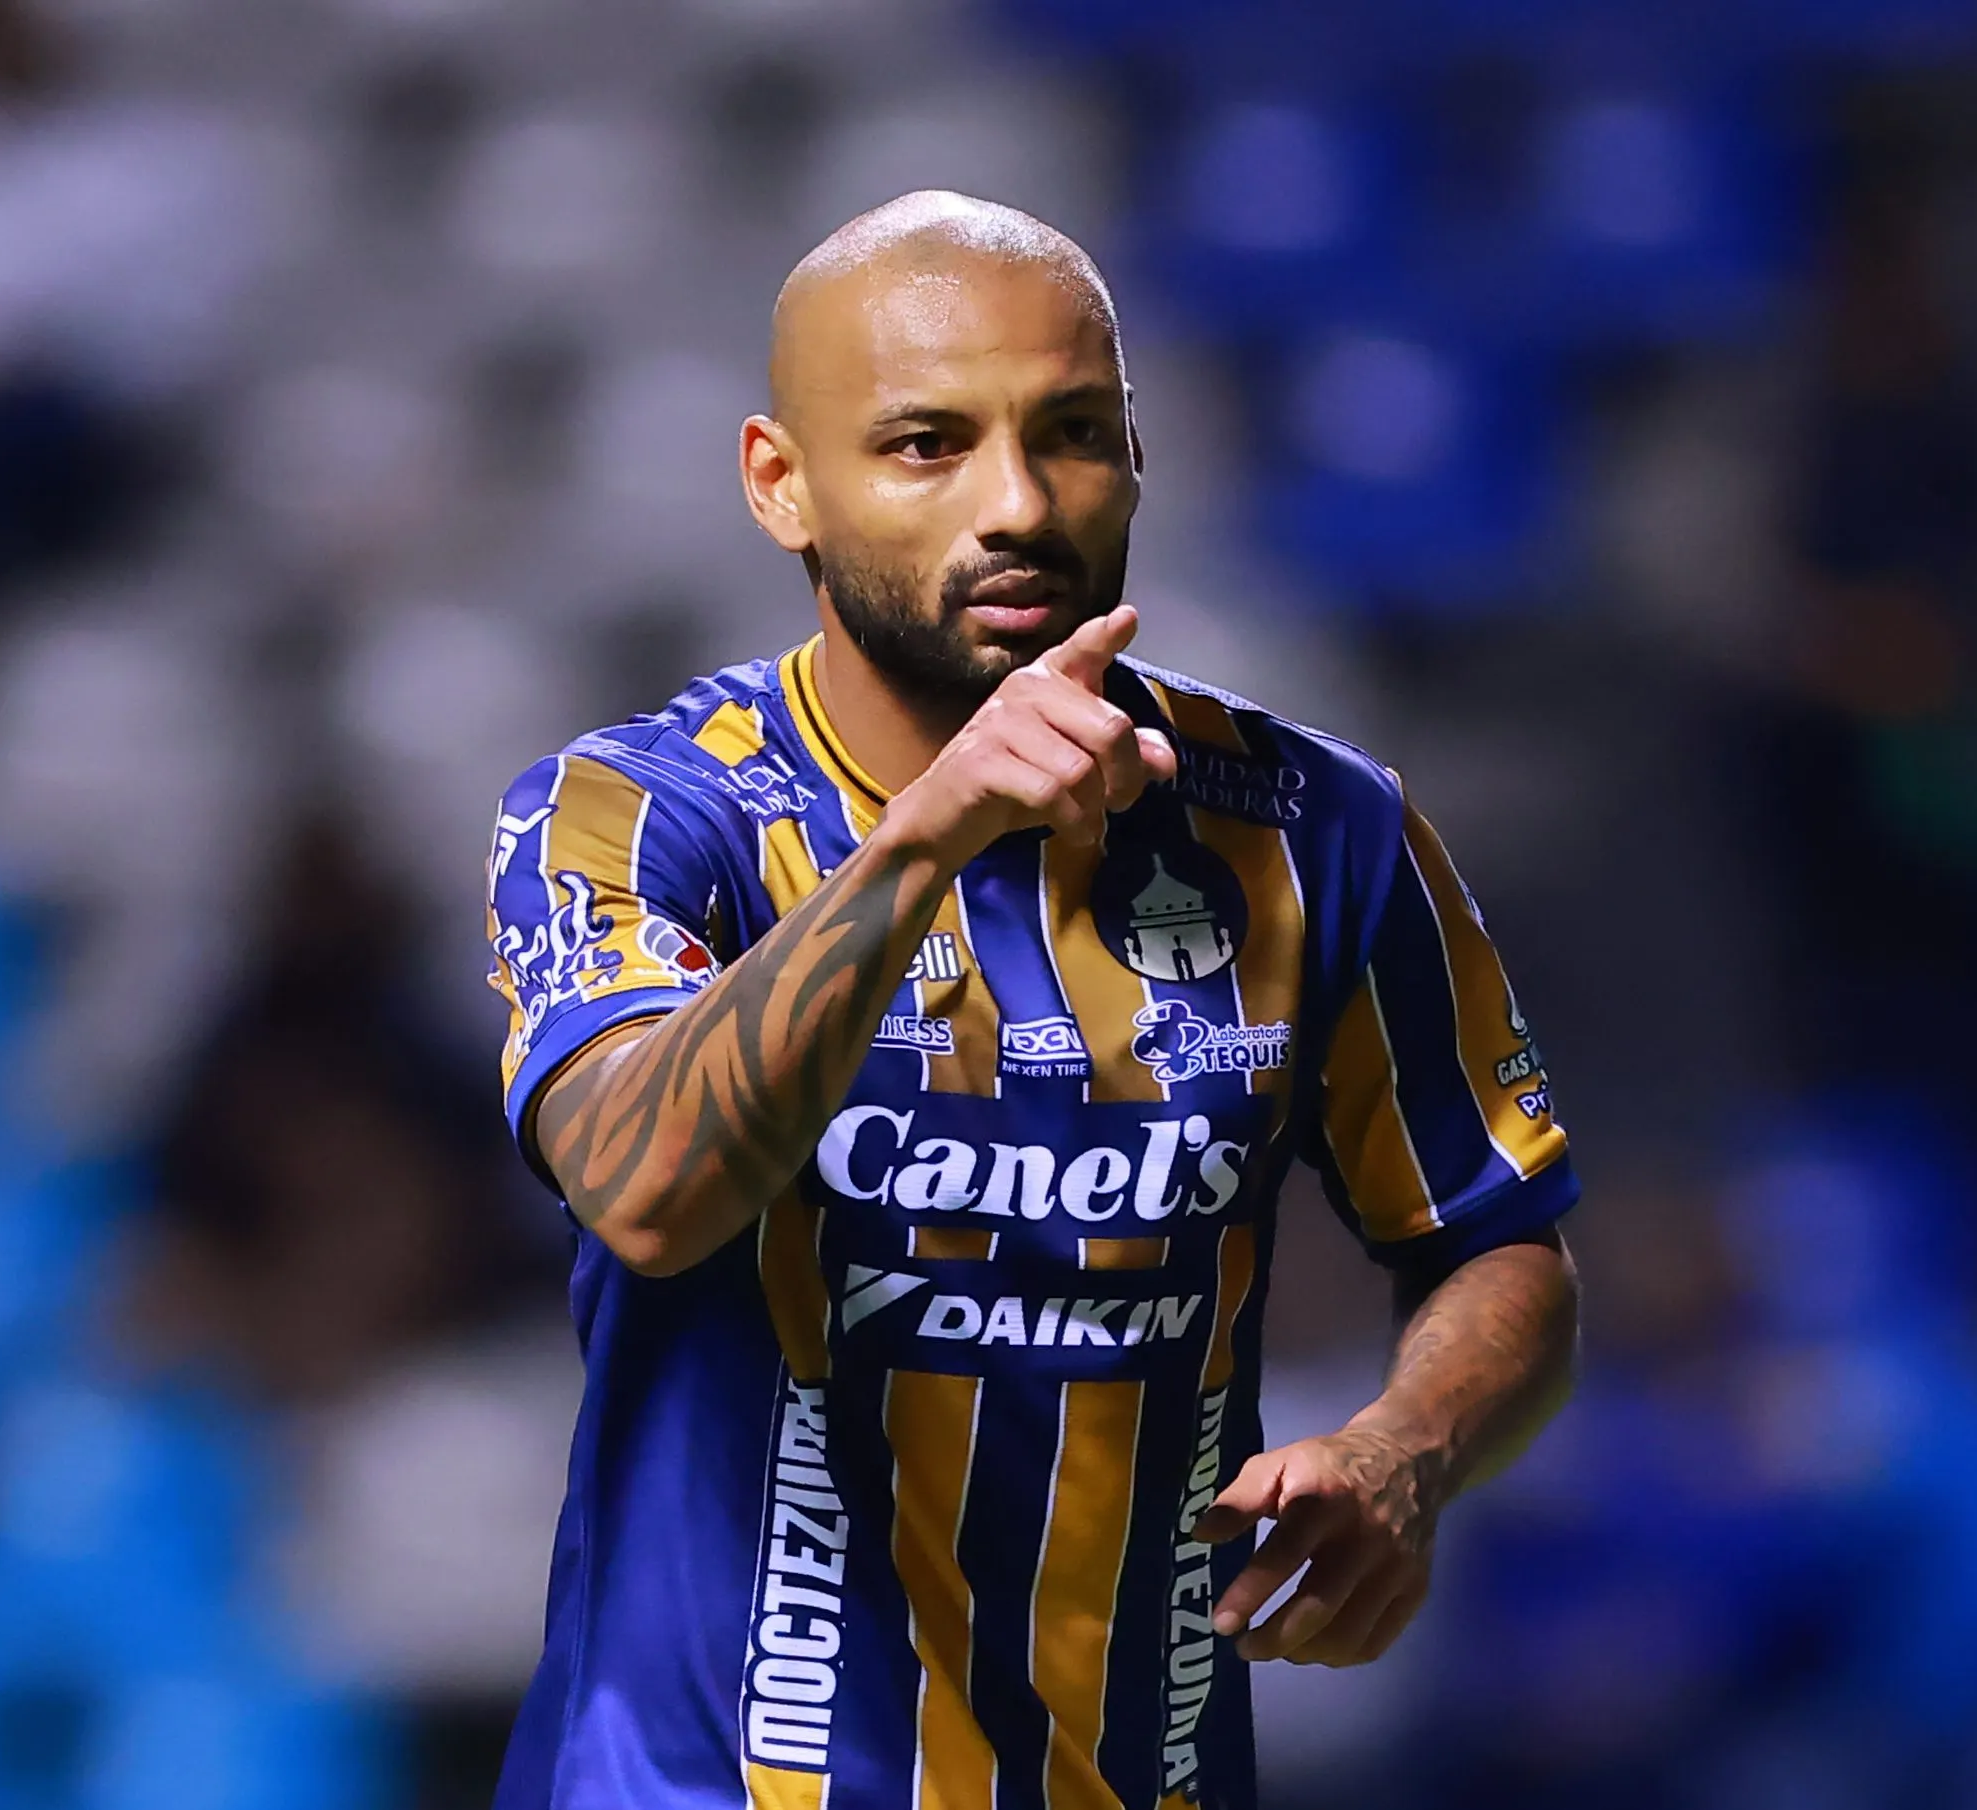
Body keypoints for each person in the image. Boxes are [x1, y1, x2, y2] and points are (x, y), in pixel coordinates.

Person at [482, 192, 1582, 1810]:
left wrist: (1402, 1452)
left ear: (1138, 457)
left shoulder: (1314, 832)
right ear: (781, 483)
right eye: (928, 444)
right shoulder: (638, 817)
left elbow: (1501, 1245)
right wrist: (925, 835)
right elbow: (648, 1190)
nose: (1017, 504)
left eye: (1072, 434)